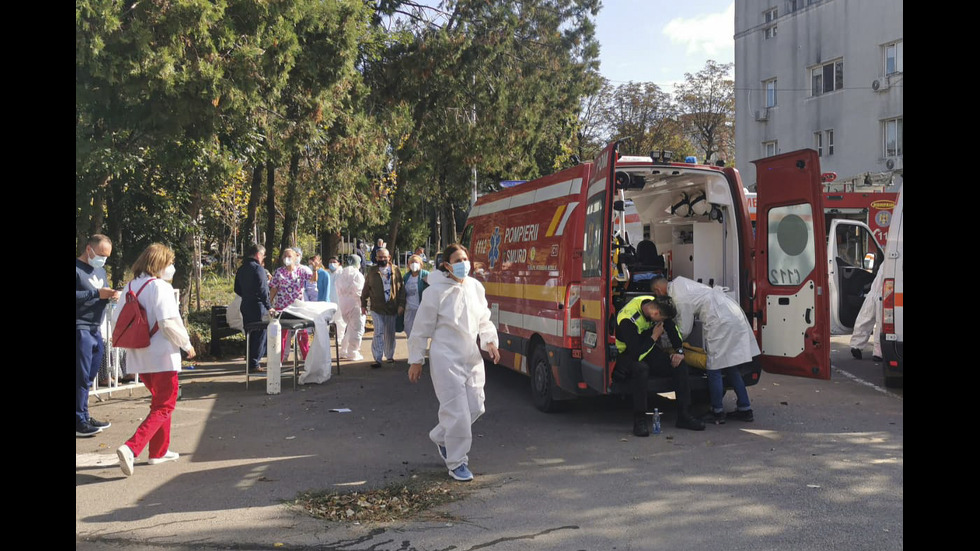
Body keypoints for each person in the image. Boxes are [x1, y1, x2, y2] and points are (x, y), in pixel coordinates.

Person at [408, 243, 500, 482]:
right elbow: (420, 328)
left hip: (470, 356)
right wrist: (416, 360)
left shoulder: (475, 287)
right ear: (447, 265)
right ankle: (457, 461)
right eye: (457, 260)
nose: (463, 264)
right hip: (445, 358)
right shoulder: (435, 292)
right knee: (457, 412)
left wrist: (490, 341)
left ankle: (441, 436)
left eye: (465, 258)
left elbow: (483, 318)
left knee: (476, 406)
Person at [114, 243, 196, 476]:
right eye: (170, 263)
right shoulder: (160, 287)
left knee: (160, 403)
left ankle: (158, 452)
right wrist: (186, 345)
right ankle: (131, 448)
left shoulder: (130, 286)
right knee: (165, 404)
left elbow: (118, 319)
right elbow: (168, 322)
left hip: (139, 354)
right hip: (161, 355)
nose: (172, 267)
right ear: (159, 263)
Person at [650, 276, 756, 424]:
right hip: (730, 313)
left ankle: (717, 412)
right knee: (730, 365)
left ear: (658, 290)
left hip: (720, 321)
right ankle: (745, 409)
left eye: (656, 294)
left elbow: (684, 330)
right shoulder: (679, 283)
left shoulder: (678, 298)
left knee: (714, 367)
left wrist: (669, 343)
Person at [614, 294, 705, 436]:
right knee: (641, 369)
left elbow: (671, 329)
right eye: (661, 319)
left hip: (648, 348)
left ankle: (684, 415)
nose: (662, 322)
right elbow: (637, 354)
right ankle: (640, 420)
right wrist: (654, 336)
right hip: (629, 354)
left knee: (679, 364)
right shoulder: (627, 319)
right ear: (655, 313)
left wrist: (679, 351)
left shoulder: (657, 305)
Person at [76, 234, 121, 437]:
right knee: (81, 376)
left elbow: (101, 293)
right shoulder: (77, 269)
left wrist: (112, 295)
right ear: (89, 249)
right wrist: (96, 294)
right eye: (101, 254)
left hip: (96, 328)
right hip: (80, 327)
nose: (103, 258)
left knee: (89, 377)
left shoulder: (100, 270)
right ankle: (79, 420)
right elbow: (91, 294)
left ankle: (84, 414)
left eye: (106, 256)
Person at [361, 247, 405, 367]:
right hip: (377, 307)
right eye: (380, 257)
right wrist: (363, 304)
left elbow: (401, 289)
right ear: (376, 258)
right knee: (378, 332)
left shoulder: (395, 270)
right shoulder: (372, 271)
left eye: (385, 257)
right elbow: (366, 288)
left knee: (390, 333)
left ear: (389, 258)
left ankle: (389, 356)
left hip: (392, 307)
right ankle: (378, 358)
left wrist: (401, 304)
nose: (382, 259)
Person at [234, 244, 271, 374]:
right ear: (258, 255)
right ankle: (254, 363)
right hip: (258, 306)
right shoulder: (258, 269)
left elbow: (236, 289)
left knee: (249, 334)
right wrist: (269, 306)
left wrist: (246, 295)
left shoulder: (241, 269)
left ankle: (250, 360)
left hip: (245, 305)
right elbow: (263, 290)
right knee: (259, 334)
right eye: (263, 255)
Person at [271, 247, 311, 362]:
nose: (287, 259)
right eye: (285, 256)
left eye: (289, 256)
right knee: (281, 335)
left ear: (295, 258)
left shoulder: (302, 270)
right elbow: (274, 288)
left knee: (302, 333)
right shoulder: (279, 272)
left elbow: (313, 280)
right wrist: (269, 304)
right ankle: (279, 360)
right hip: (282, 307)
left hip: (297, 307)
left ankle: (306, 357)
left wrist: (316, 270)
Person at [850, 268, 884, 362]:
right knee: (880, 324)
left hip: (873, 293)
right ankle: (878, 352)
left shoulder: (886, 261)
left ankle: (856, 345)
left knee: (864, 319)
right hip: (883, 295)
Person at [335, 254, 366, 360]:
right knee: (357, 328)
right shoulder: (357, 275)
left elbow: (337, 289)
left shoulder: (341, 274)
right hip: (355, 303)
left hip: (343, 303)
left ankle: (344, 350)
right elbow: (359, 291)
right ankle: (353, 352)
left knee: (349, 328)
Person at [402, 254, 430, 338]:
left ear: (421, 264)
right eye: (412, 262)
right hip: (409, 309)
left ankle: (419, 350)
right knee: (409, 332)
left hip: (421, 309)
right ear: (408, 264)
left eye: (416, 262)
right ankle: (412, 350)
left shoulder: (425, 275)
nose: (414, 264)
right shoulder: (407, 277)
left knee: (420, 333)